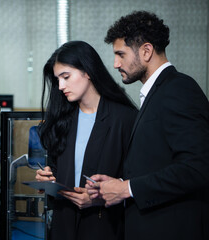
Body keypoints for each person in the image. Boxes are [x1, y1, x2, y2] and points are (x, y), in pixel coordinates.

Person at [86, 11, 209, 240]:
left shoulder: (179, 89)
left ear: (146, 51)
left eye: (120, 54)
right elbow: (158, 163)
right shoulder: (159, 92)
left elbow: (197, 167)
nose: (115, 64)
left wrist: (127, 189)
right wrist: (120, 184)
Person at [36, 40, 137, 240]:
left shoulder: (125, 119)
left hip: (105, 227)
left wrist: (100, 198)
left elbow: (138, 182)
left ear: (88, 71)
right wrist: (47, 179)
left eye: (66, 77)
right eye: (58, 79)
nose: (60, 86)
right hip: (63, 226)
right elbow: (57, 169)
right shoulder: (62, 120)